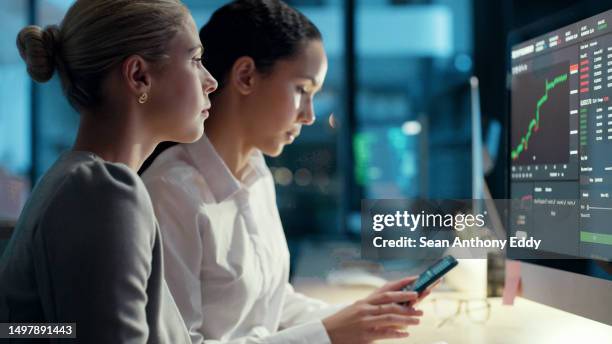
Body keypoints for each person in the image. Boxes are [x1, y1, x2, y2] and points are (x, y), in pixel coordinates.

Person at [142, 1, 434, 343]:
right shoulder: (170, 192)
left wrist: (363, 316)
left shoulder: (257, 173)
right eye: (302, 90)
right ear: (246, 76)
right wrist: (328, 333)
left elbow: (272, 304)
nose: (309, 115)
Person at [0, 0, 217, 342]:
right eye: (195, 59)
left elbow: (57, 331)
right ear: (138, 76)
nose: (211, 81)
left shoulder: (77, 181)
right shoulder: (101, 192)